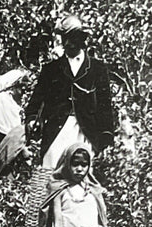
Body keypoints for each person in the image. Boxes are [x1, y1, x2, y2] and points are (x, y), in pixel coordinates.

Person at [25, 14, 114, 169]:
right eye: (65, 38)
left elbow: (104, 106)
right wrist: (32, 119)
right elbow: (36, 101)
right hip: (57, 130)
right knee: (51, 171)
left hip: (86, 131)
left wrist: (105, 139)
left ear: (82, 39)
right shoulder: (51, 69)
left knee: (82, 174)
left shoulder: (97, 68)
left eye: (73, 38)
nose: (68, 43)